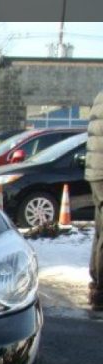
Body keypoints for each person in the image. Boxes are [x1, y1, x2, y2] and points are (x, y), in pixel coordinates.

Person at [87, 89, 103, 310]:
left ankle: (97, 284)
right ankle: (100, 289)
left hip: (96, 171)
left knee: (100, 230)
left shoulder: (99, 96)